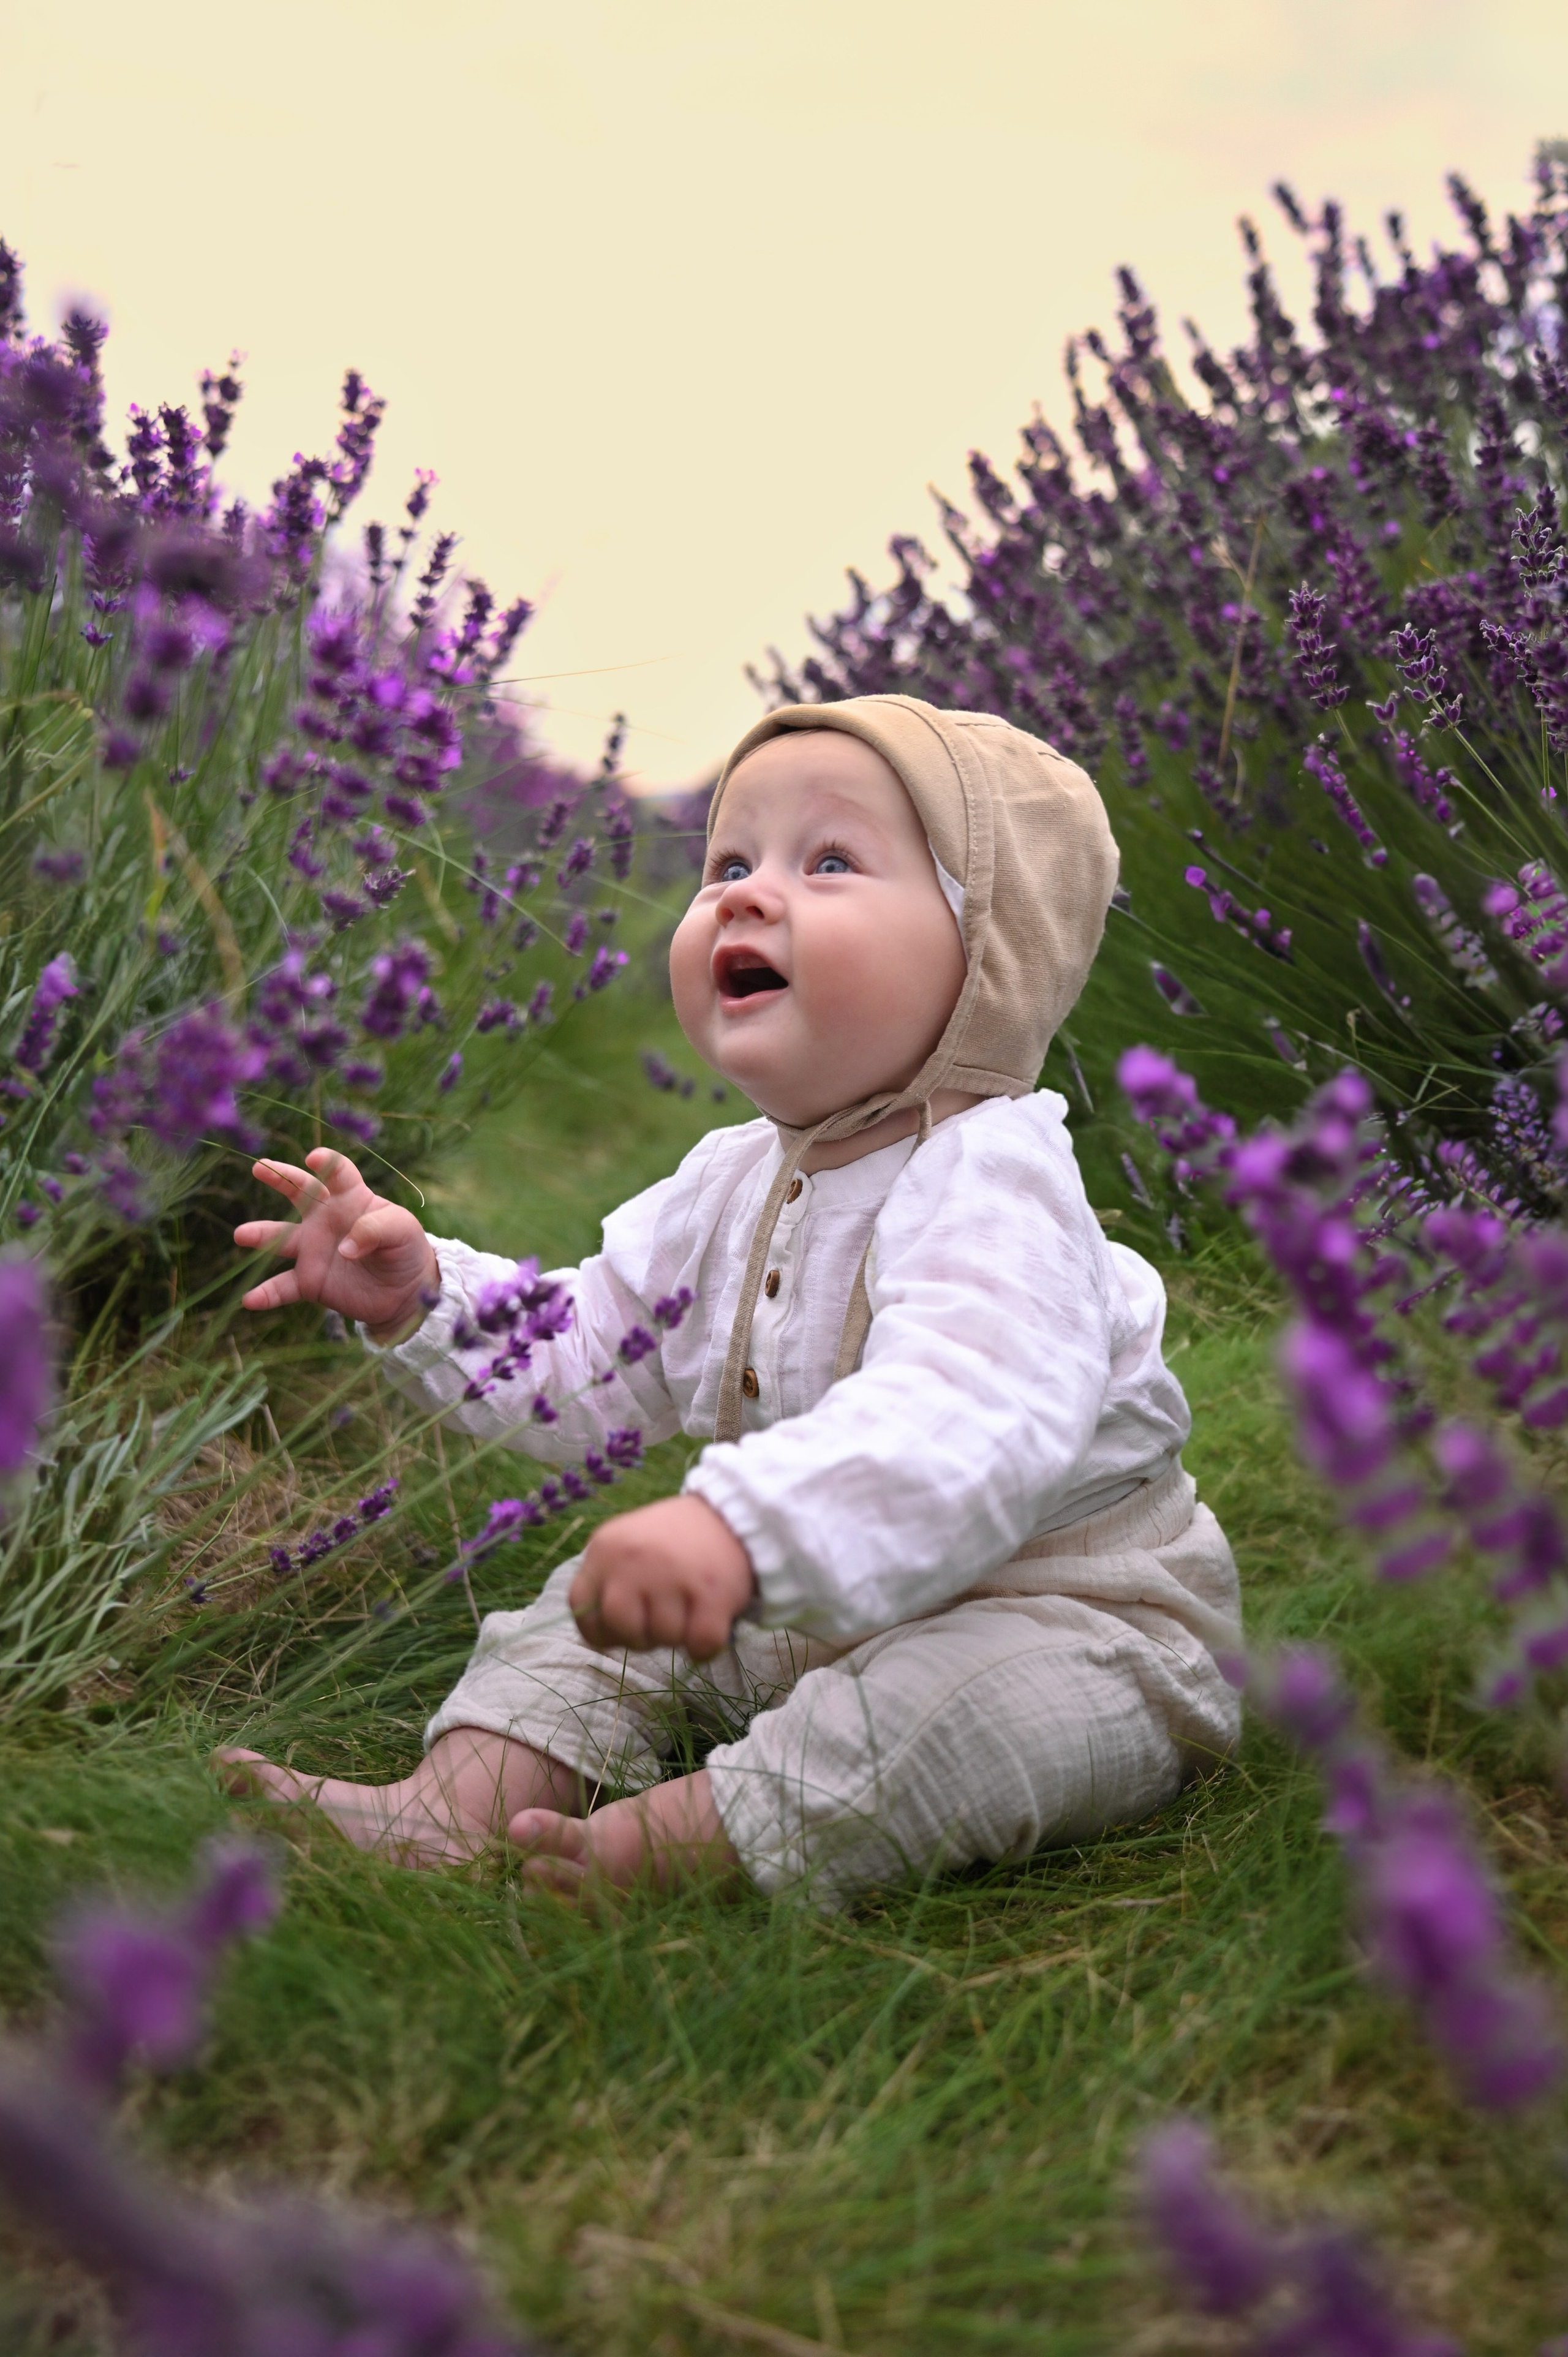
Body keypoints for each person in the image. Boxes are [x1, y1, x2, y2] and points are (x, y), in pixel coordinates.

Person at [222, 695, 1242, 1907]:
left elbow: (961, 1418)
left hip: (1068, 1619)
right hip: (811, 1607)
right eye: (727, 861)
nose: (745, 895)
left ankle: (666, 1851)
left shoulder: (996, 1180)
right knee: (582, 1617)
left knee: (933, 1724)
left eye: (828, 861)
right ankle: (451, 1807)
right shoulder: (727, 1181)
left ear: (988, 954)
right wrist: (427, 1297)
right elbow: (594, 1347)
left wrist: (738, 1533)